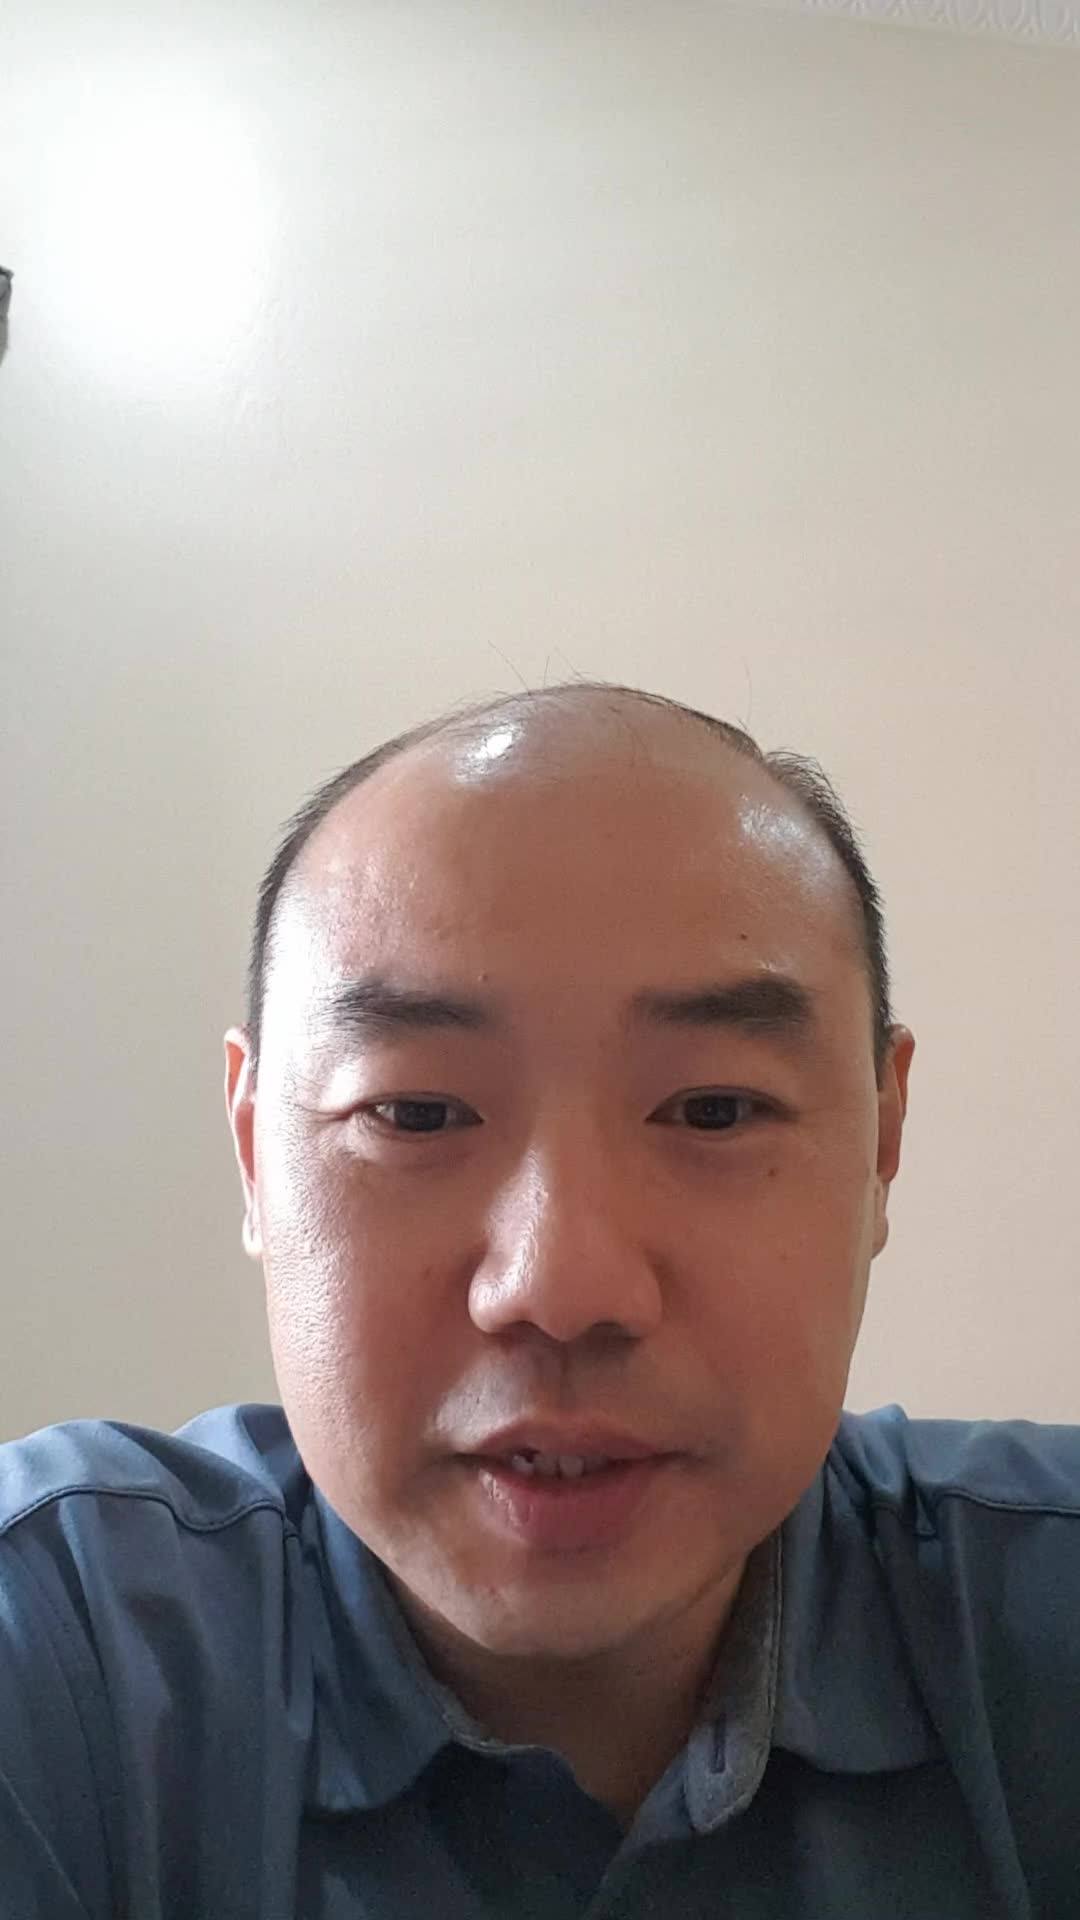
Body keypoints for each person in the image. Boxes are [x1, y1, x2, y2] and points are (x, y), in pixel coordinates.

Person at [1, 681, 1077, 1919]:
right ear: (255, 1155)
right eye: (415, 1112)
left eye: (714, 1110)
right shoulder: (62, 1658)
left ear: (882, 1146)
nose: (562, 1290)